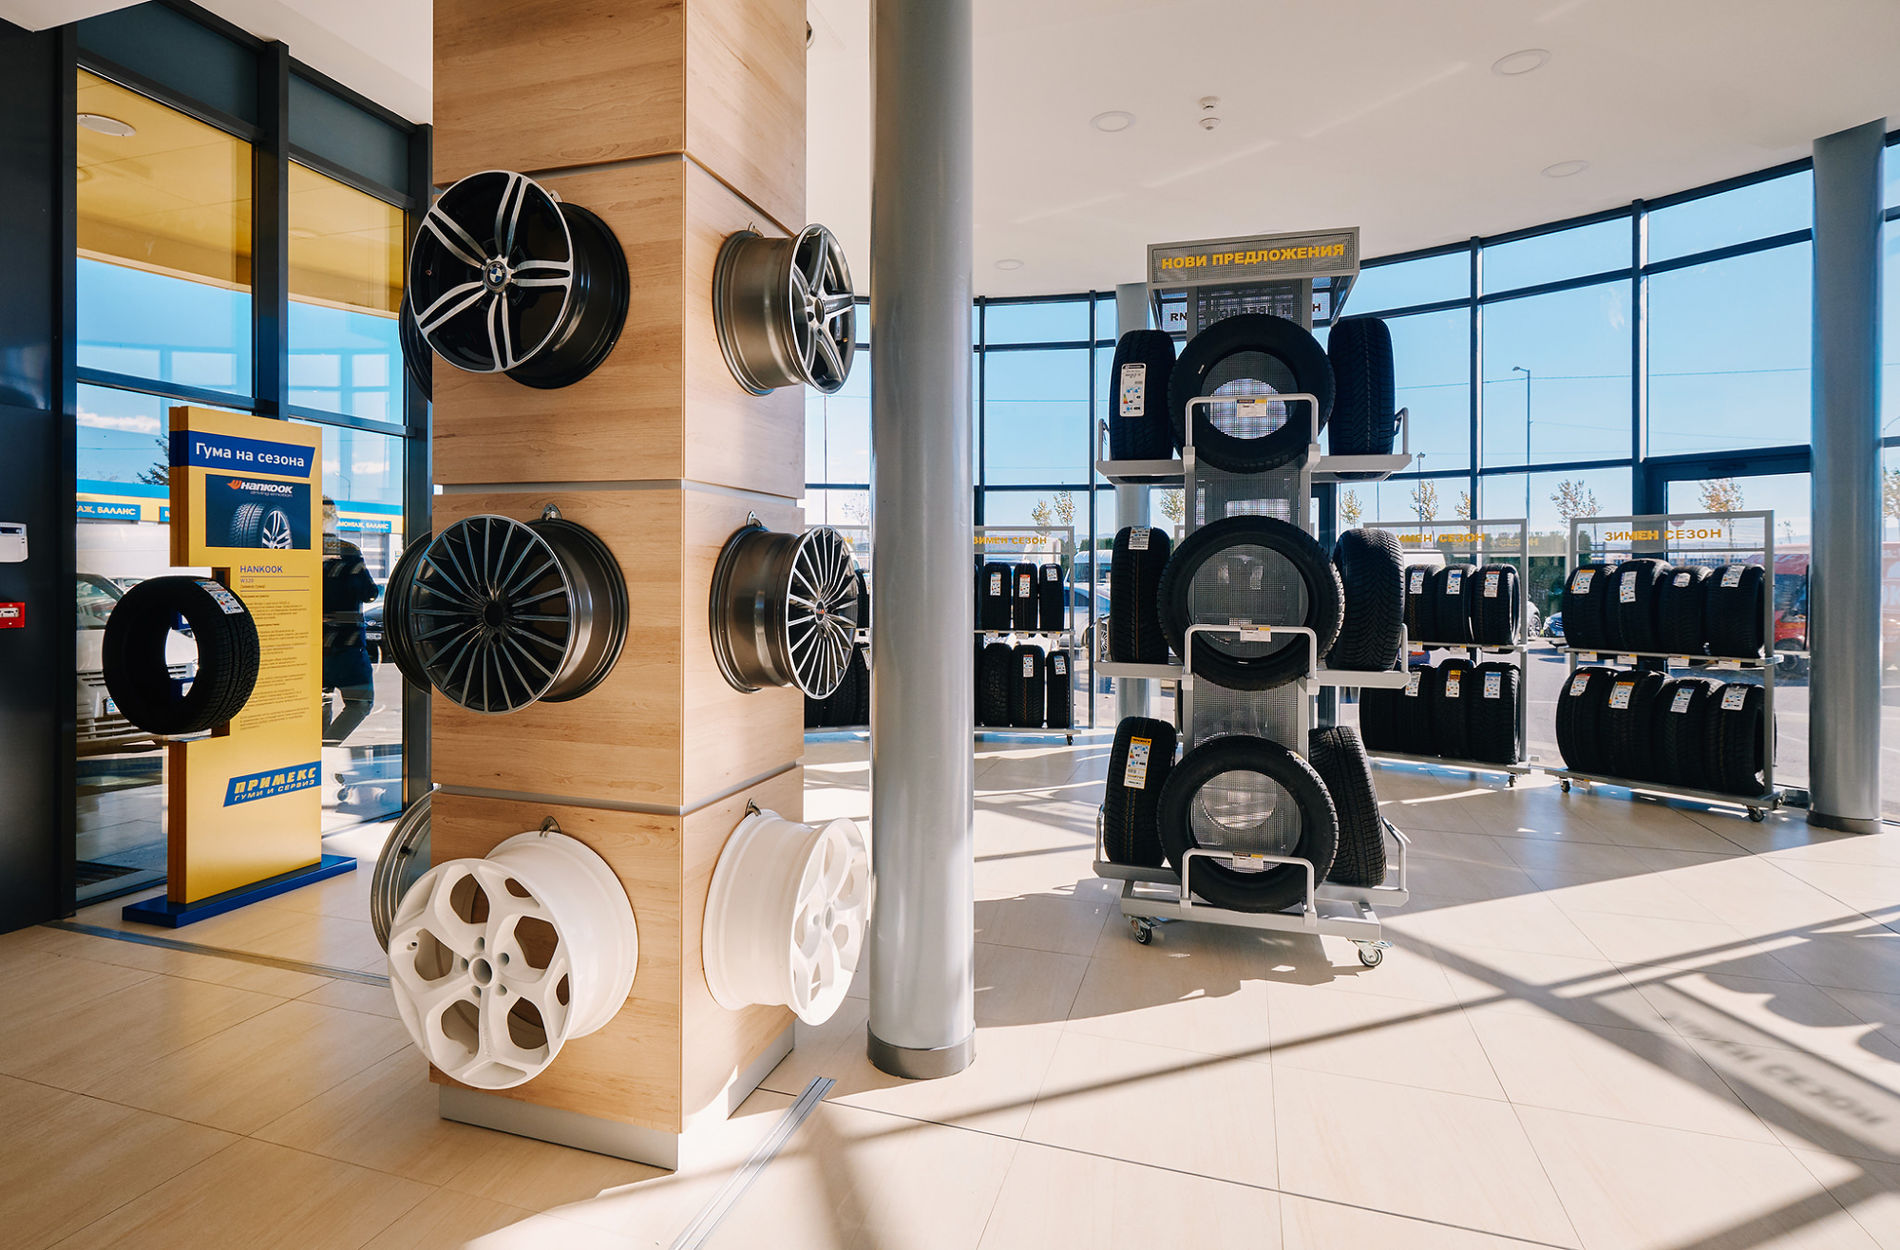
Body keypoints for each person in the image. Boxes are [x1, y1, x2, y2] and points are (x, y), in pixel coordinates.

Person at [321, 497, 379, 744]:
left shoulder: (299, 550)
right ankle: (328, 748)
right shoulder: (348, 551)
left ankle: (320, 754)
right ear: (332, 518)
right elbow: (369, 592)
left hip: (313, 642)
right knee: (360, 703)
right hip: (346, 642)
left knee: (321, 702)